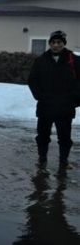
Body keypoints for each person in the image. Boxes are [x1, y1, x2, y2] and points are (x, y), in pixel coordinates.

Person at [28, 30, 80, 172]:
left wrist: (75, 99)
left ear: (63, 44)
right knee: (42, 136)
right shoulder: (41, 60)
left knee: (65, 138)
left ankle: (64, 161)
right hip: (46, 106)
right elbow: (32, 80)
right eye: (53, 42)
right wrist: (40, 96)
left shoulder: (74, 60)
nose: (56, 45)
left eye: (59, 42)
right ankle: (42, 160)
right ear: (50, 44)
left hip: (65, 107)